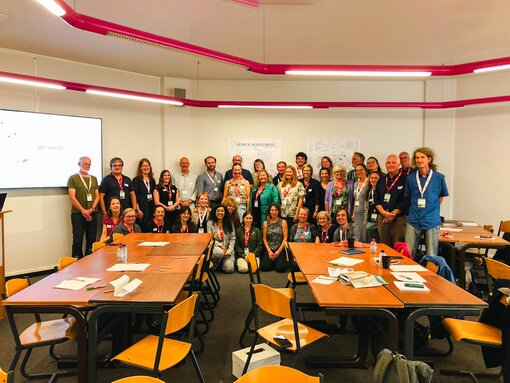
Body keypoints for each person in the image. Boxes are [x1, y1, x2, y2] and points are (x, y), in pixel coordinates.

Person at [405, 147, 448, 256]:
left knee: (431, 254)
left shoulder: (439, 178)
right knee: (408, 253)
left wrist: (431, 209)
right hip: (414, 219)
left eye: (422, 157)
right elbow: (409, 197)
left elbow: (440, 197)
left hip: (431, 220)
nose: (419, 160)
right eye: (417, 157)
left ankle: (430, 273)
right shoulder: (410, 178)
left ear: (429, 159)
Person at [374, 154, 409, 248]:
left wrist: (395, 213)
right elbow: (376, 199)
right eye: (388, 163)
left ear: (399, 165)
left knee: (398, 248)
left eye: (394, 162)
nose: (391, 165)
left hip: (399, 219)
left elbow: (407, 199)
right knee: (385, 248)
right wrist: (383, 212)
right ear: (385, 165)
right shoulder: (381, 180)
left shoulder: (406, 179)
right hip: (383, 219)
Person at [67, 156, 99, 258]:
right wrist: (84, 211)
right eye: (85, 164)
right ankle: (76, 263)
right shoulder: (73, 178)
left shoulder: (93, 178)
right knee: (78, 239)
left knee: (91, 238)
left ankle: (90, 261)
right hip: (78, 214)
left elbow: (97, 196)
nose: (87, 166)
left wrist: (91, 210)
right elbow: (72, 197)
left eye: (89, 164)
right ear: (79, 164)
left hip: (92, 213)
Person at [207, 205, 236, 273]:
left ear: (225, 212)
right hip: (216, 247)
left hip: (227, 249)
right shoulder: (210, 223)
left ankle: (220, 263)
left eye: (222, 211)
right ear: (215, 212)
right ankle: (214, 266)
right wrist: (220, 246)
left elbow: (233, 238)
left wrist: (229, 252)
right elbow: (211, 238)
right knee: (219, 252)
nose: (220, 213)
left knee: (229, 269)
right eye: (218, 211)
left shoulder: (229, 222)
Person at [260, 204, 288, 272]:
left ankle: (276, 262)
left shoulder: (283, 222)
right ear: (269, 211)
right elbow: (264, 239)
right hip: (270, 249)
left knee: (281, 269)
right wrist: (269, 251)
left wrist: (278, 252)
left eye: (276, 210)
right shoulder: (265, 223)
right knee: (264, 267)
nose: (274, 212)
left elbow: (285, 237)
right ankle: (274, 261)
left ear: (278, 211)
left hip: (280, 248)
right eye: (272, 210)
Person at [132, 158, 156, 225]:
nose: (146, 168)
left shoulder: (152, 180)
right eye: (144, 166)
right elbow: (134, 196)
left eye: (147, 166)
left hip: (151, 208)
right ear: (140, 168)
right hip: (141, 209)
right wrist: (138, 210)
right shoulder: (136, 180)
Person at [352, 163, 369, 242]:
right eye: (357, 170)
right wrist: (353, 213)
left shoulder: (369, 182)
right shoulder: (355, 184)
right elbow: (355, 199)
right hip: (356, 214)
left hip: (365, 213)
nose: (359, 172)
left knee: (365, 235)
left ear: (365, 171)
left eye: (361, 170)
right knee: (357, 235)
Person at [365, 171, 382, 242]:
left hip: (378, 222)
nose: (373, 180)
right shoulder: (368, 191)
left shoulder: (382, 191)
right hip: (369, 221)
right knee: (369, 242)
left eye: (376, 178)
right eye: (372, 178)